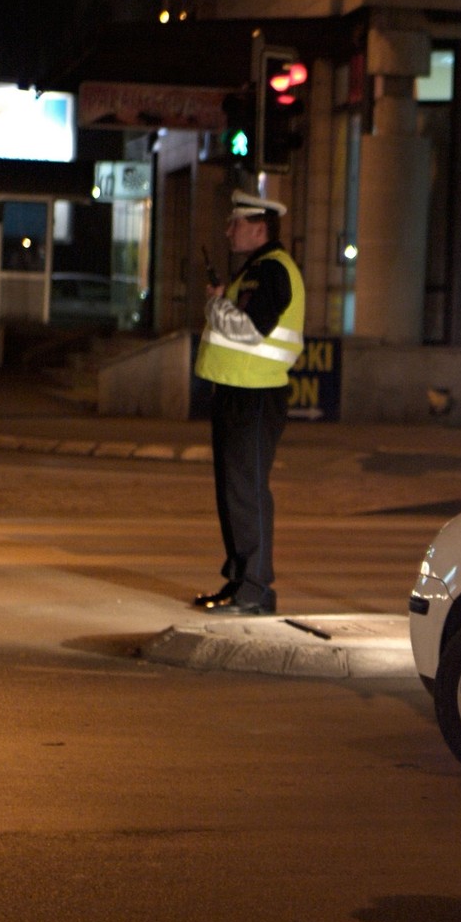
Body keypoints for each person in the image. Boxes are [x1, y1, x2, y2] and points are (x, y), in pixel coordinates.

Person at [191, 191, 305, 616]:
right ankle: (240, 581)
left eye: (235, 223)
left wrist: (214, 303)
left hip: (255, 395)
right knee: (233, 491)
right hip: (238, 391)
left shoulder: (272, 269)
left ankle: (254, 589)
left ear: (259, 228)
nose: (228, 231)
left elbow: (250, 329)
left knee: (246, 492)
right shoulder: (258, 269)